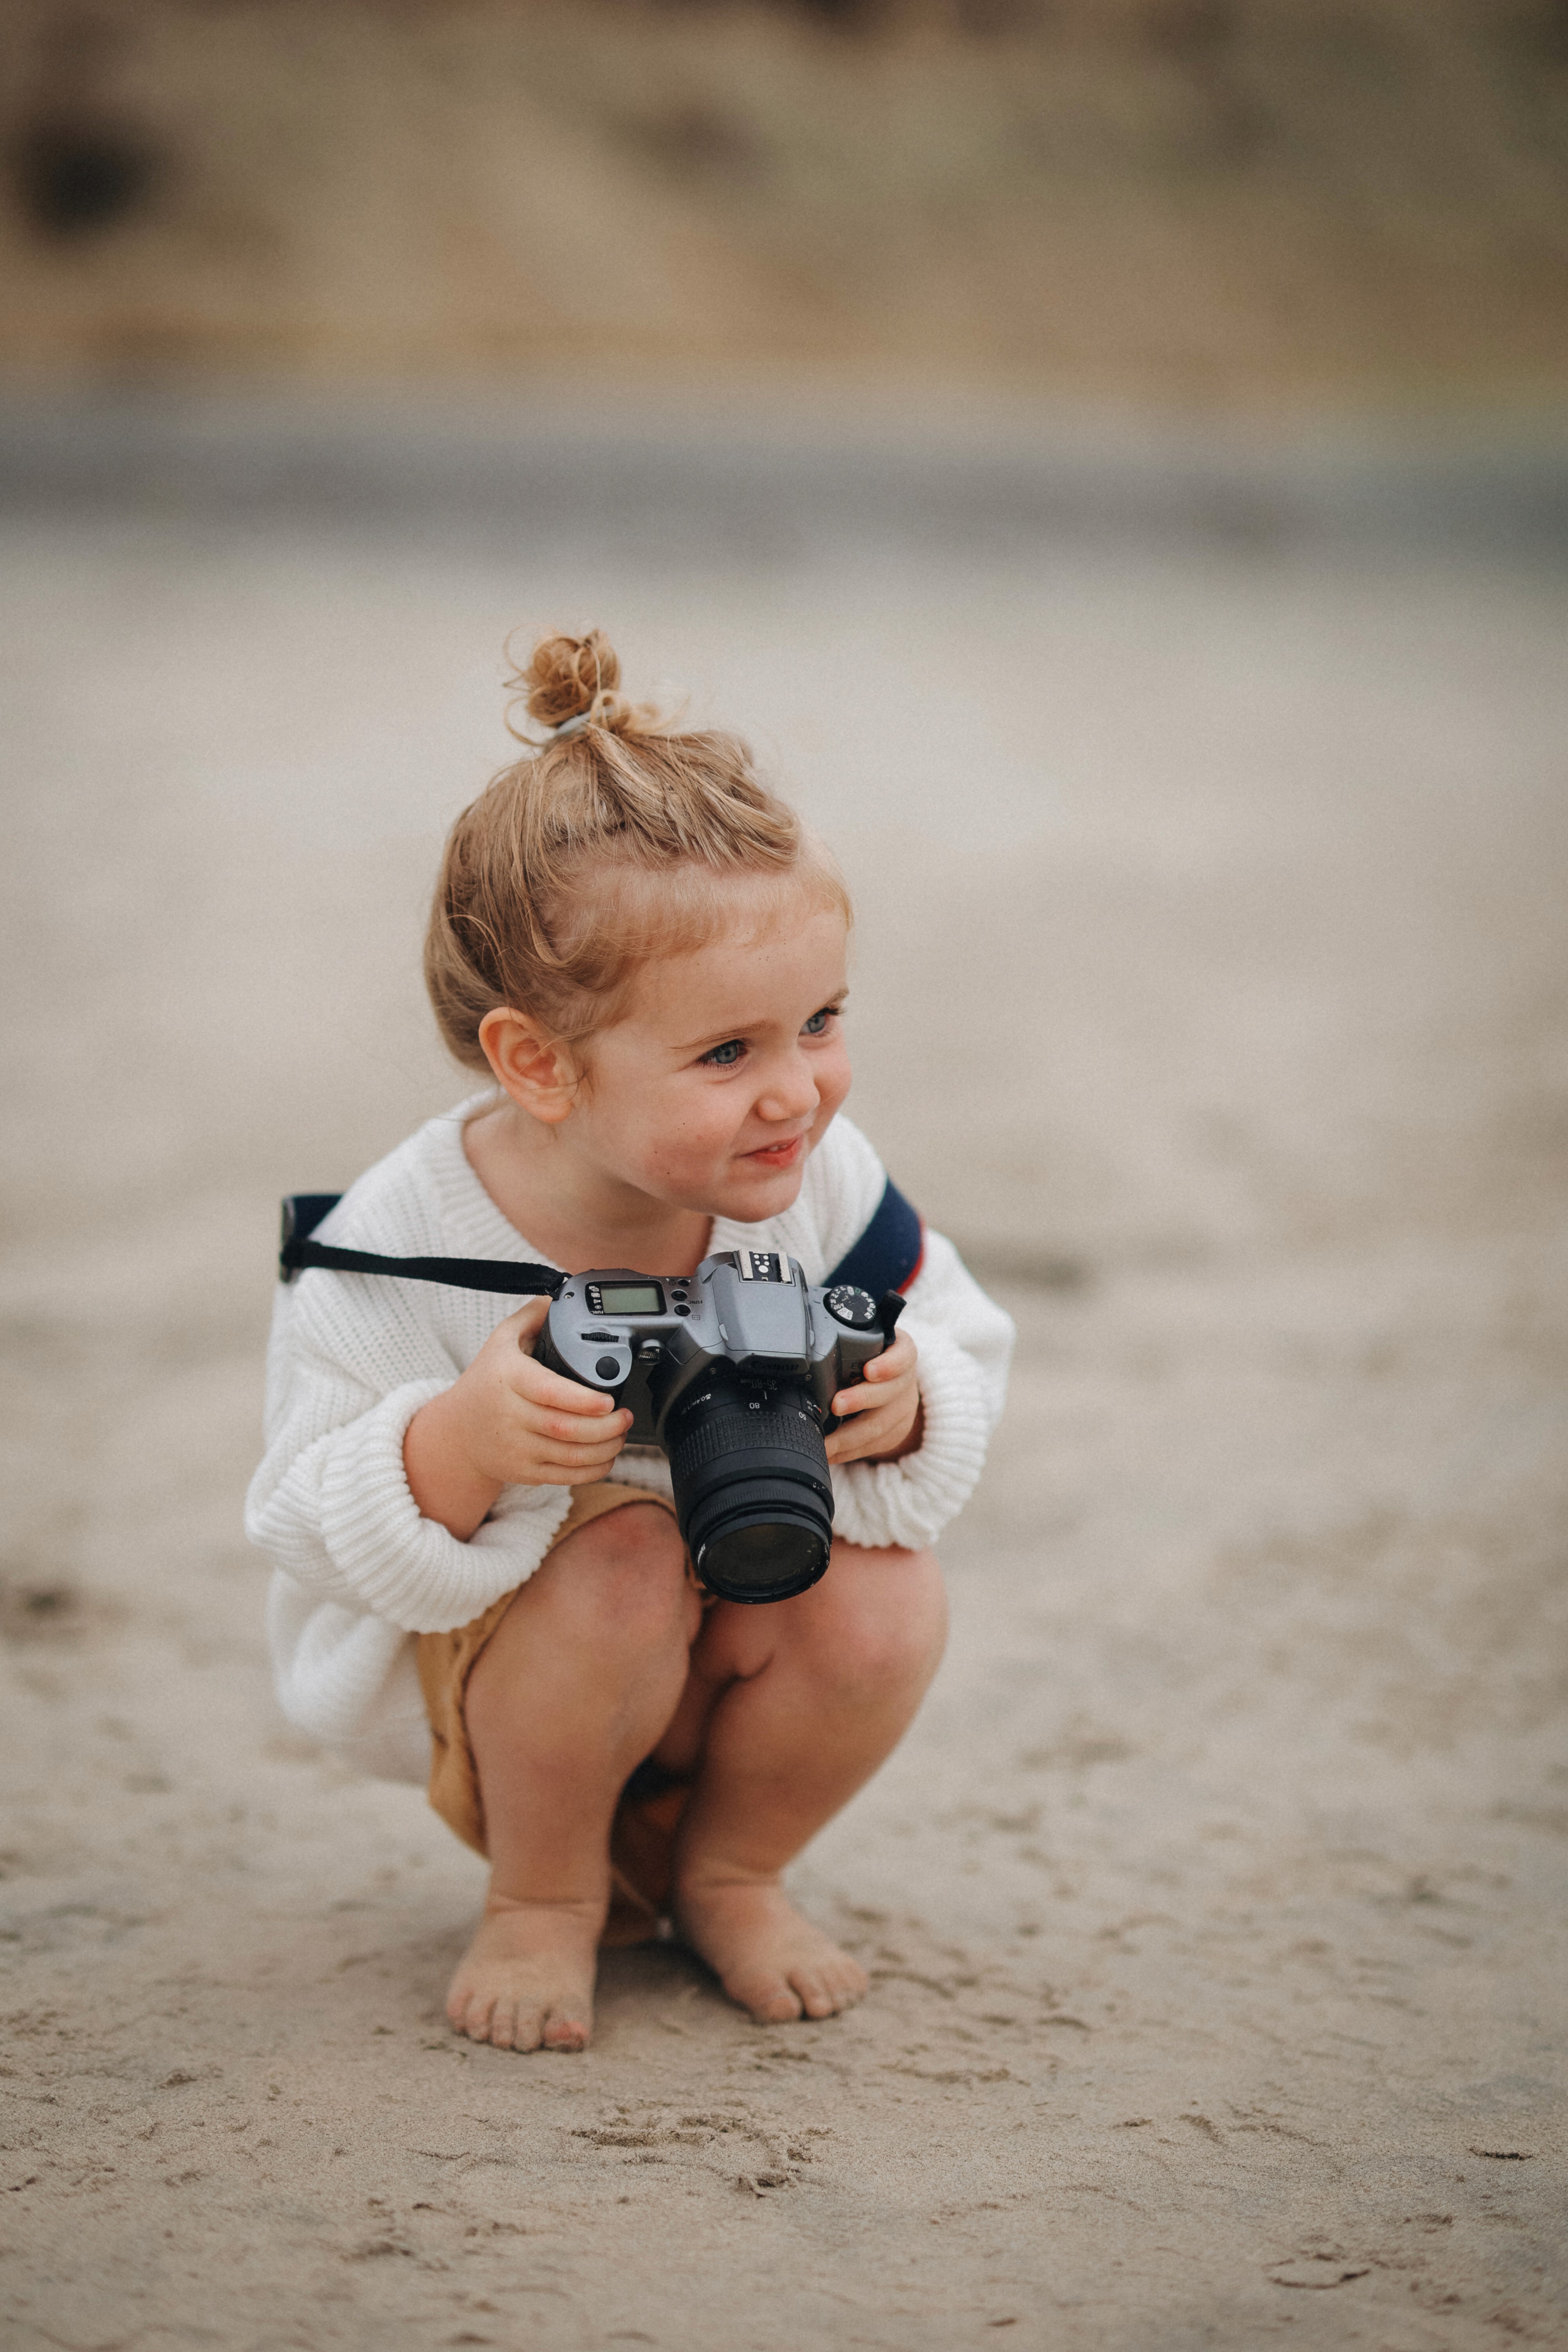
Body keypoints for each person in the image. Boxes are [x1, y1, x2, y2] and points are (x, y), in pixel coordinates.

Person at [245, 630, 1013, 2054]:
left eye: (822, 1022)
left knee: (894, 1595)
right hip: (516, 1690)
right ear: (539, 1064)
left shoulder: (826, 1193)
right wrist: (459, 1446)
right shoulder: (395, 1241)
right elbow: (299, 1513)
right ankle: (546, 1898)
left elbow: (965, 1344)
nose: (797, 1093)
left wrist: (913, 1404)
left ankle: (732, 1871)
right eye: (728, 1055)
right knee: (613, 1553)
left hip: (744, 1653)